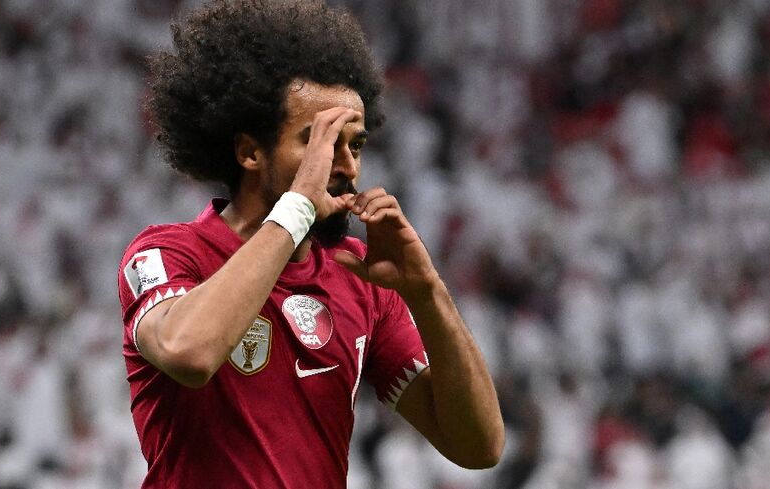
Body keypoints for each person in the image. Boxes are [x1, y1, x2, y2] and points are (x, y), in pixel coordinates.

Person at [117, 1, 504, 487]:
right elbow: (189, 353)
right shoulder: (167, 253)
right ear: (250, 152)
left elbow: (479, 446)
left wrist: (428, 291)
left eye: (354, 144)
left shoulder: (358, 275)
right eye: (319, 142)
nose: (347, 165)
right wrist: (298, 206)